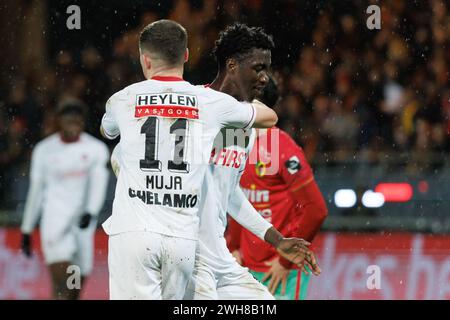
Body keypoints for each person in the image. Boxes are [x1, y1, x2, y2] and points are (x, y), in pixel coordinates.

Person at [100, 19, 279, 300]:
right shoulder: (208, 102)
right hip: (181, 241)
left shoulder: (123, 98)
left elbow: (107, 130)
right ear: (185, 56)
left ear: (144, 59)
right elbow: (270, 118)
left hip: (135, 232)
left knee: (120, 152)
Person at [184, 23, 321, 300]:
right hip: (184, 255)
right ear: (232, 65)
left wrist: (277, 240)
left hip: (217, 257)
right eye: (258, 68)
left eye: (266, 69)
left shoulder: (242, 124)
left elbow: (229, 192)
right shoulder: (193, 106)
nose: (264, 78)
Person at [227, 76, 328, 300]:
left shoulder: (283, 147)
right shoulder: (237, 142)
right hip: (246, 268)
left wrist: (286, 259)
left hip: (282, 273)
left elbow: (316, 209)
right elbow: (237, 199)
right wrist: (233, 247)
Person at [20, 100, 110, 300]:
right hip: (54, 223)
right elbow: (36, 191)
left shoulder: (95, 149)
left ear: (82, 122)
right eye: (68, 120)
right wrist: (27, 229)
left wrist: (91, 211)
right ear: (59, 121)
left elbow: (99, 183)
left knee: (74, 287)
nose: (73, 125)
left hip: (81, 225)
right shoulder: (44, 150)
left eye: (76, 121)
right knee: (63, 278)